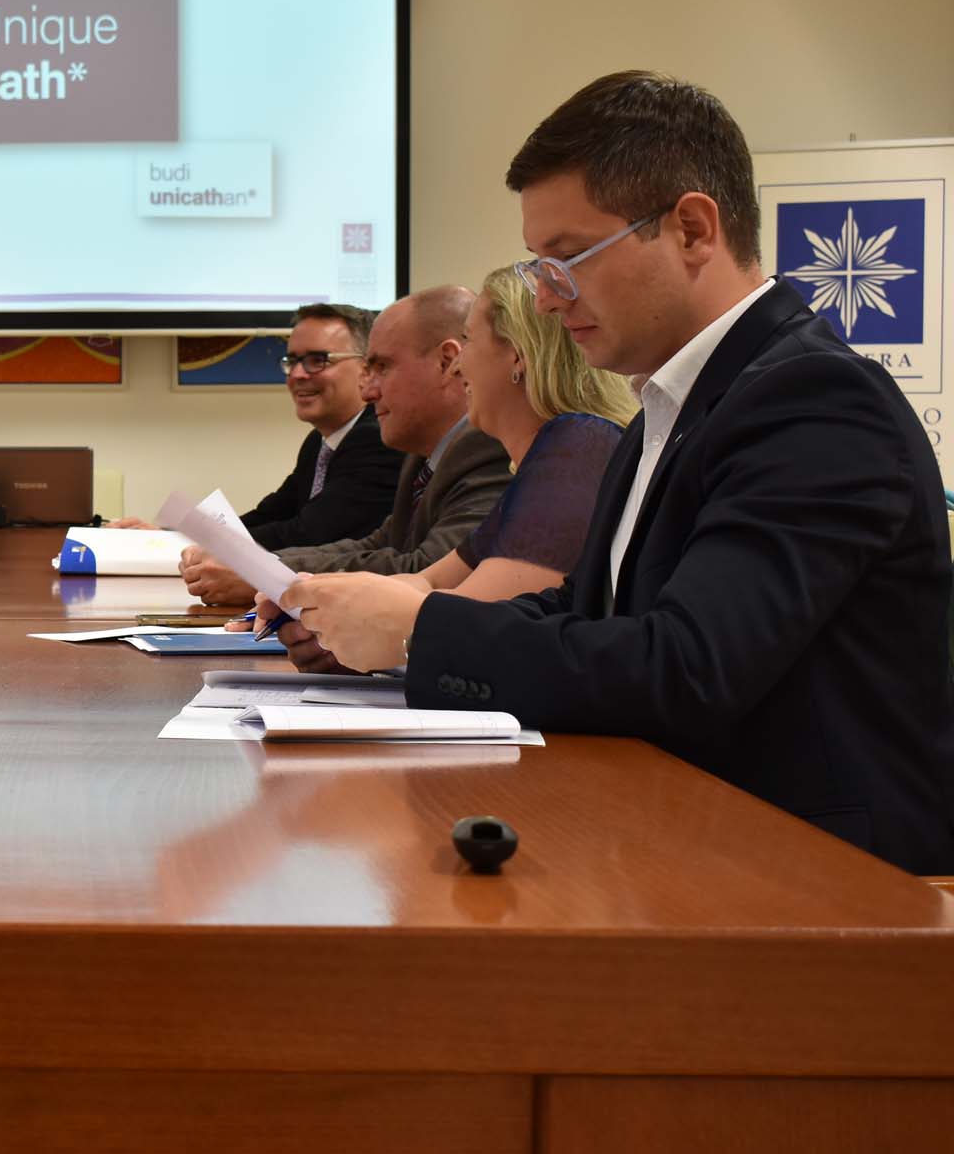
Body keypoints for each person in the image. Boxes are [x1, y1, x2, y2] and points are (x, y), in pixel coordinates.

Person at [288, 71, 954, 873]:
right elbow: (588, 608)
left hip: (819, 879)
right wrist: (394, 628)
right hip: (688, 844)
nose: (545, 299)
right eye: (539, 266)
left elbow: (687, 666)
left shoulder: (815, 401)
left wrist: (421, 628)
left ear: (692, 230)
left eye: (568, 259)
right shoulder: (667, 411)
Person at [262, 267, 633, 650]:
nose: (458, 365)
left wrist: (335, 618)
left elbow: (467, 625)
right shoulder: (546, 456)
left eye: (469, 341)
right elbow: (429, 582)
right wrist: (309, 594)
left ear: (518, 355)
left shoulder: (577, 445)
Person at [181, 286, 513, 612]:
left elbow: (427, 571)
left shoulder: (488, 448)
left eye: (382, 367)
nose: (367, 391)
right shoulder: (422, 456)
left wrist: (266, 575)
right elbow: (379, 545)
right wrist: (264, 566)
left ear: (448, 362)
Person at [108, 304, 403, 548]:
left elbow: (307, 533)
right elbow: (270, 514)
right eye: (292, 361)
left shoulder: (377, 440)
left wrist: (188, 544)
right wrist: (171, 539)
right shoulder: (320, 441)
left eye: (317, 360)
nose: (298, 374)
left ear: (366, 368)